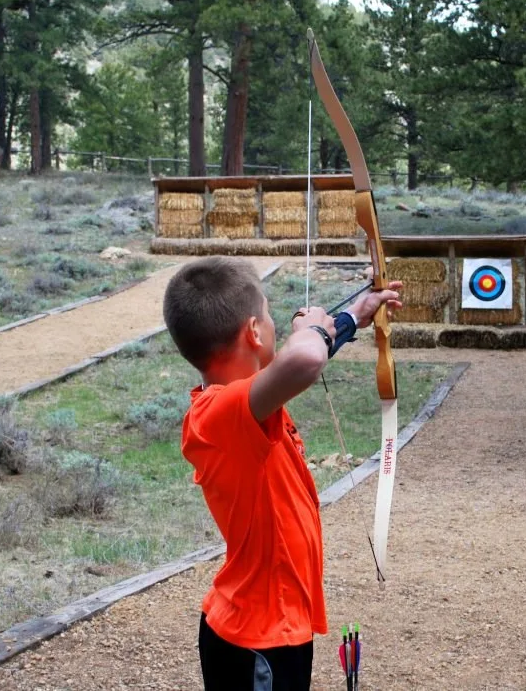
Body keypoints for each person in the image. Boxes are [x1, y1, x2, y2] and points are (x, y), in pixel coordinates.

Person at [161, 256, 401, 691]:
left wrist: (350, 317)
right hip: (255, 639)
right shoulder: (218, 413)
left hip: (271, 630)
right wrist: (307, 327)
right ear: (254, 332)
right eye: (270, 315)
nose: (278, 324)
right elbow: (305, 358)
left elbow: (299, 361)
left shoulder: (248, 405)